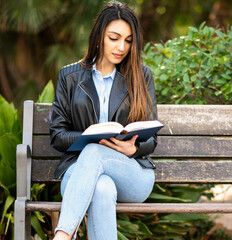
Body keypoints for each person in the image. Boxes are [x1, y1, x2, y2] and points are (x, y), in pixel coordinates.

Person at [50, 2, 157, 239]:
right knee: (101, 186)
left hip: (133, 173)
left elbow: (152, 139)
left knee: (95, 153)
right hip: (77, 172)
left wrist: (134, 148)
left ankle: (63, 235)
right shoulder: (69, 77)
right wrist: (89, 137)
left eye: (128, 40)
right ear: (99, 36)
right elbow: (57, 136)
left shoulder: (141, 75)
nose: (121, 47)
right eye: (114, 38)